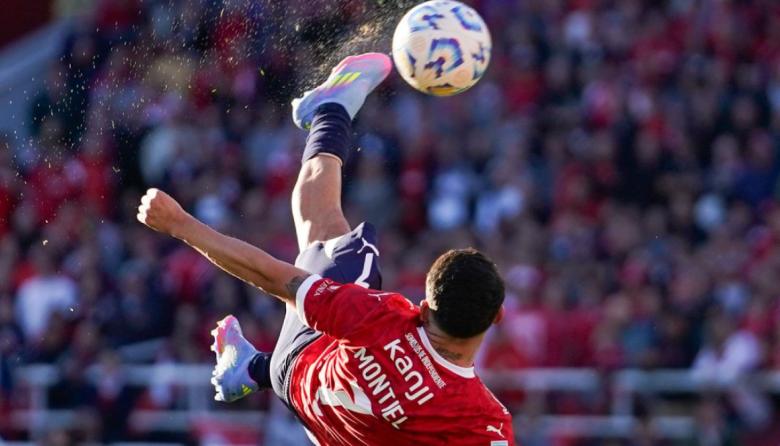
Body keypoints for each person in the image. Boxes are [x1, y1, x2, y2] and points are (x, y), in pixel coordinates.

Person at [137, 53, 514, 445]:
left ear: (423, 306)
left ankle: (332, 109)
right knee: (331, 248)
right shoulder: (483, 422)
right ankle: (251, 369)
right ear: (498, 316)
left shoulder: (380, 318)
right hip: (319, 421)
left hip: (300, 370)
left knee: (339, 247)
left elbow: (271, 275)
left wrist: (180, 224)